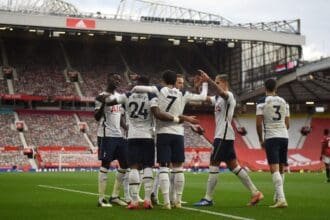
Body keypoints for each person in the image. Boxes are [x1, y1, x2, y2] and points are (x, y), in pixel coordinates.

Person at [131, 70, 208, 209]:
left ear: (163, 80)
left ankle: (166, 202)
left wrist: (137, 79)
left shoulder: (159, 89)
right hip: (178, 134)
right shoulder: (182, 93)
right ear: (175, 81)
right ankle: (177, 201)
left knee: (163, 167)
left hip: (163, 132)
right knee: (178, 168)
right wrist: (205, 83)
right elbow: (203, 97)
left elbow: (137, 88)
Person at [194, 70, 263, 207]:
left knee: (214, 164)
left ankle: (208, 198)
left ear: (224, 83)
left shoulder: (229, 95)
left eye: (218, 82)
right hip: (224, 135)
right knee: (234, 167)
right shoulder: (218, 98)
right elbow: (204, 99)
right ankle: (255, 193)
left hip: (223, 136)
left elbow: (223, 93)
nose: (216, 84)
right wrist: (200, 86)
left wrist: (209, 81)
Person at [94, 74, 129, 207]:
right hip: (106, 135)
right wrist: (104, 104)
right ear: (108, 80)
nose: (118, 81)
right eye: (115, 78)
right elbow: (97, 117)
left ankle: (114, 196)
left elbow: (119, 117)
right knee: (105, 164)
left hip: (119, 136)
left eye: (119, 79)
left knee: (125, 164)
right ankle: (101, 199)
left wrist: (126, 127)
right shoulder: (100, 96)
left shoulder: (119, 98)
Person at [256, 78, 290, 208]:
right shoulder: (284, 102)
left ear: (265, 87)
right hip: (284, 136)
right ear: (276, 88)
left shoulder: (261, 102)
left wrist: (261, 139)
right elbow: (288, 124)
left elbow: (258, 123)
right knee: (281, 167)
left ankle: (281, 198)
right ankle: (277, 196)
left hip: (271, 137)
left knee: (274, 168)